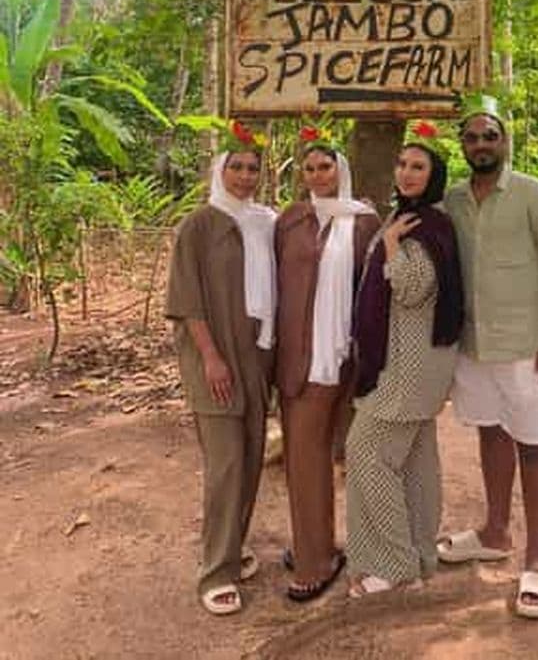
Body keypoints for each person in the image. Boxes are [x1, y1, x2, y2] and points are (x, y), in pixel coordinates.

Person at [438, 111, 538, 620]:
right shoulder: (452, 199)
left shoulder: (532, 193)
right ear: (462, 146)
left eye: (489, 136)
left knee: (534, 446)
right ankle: (495, 532)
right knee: (490, 434)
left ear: (505, 141)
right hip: (473, 345)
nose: (480, 144)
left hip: (526, 345)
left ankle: (537, 561)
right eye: (471, 138)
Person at [346, 142, 463, 597]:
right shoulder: (411, 216)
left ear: (434, 175)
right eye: (402, 163)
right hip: (413, 364)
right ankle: (418, 554)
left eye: (419, 166)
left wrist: (392, 244)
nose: (407, 172)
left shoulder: (426, 225)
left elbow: (413, 289)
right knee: (414, 464)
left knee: (366, 454)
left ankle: (393, 565)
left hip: (407, 367)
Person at [165, 143, 276, 616]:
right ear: (220, 171)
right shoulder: (200, 225)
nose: (245, 176)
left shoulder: (264, 222)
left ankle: (231, 549)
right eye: (236, 167)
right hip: (216, 357)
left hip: (256, 355)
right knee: (227, 463)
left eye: (253, 168)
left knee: (250, 460)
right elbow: (186, 300)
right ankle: (215, 571)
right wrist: (211, 357)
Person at [274, 142, 380, 602]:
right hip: (297, 357)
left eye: (326, 167)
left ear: (342, 170)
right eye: (311, 167)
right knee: (305, 455)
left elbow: (376, 289)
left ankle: (319, 558)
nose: (318, 174)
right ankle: (314, 547)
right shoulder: (291, 220)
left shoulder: (363, 221)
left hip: (342, 358)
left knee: (322, 454)